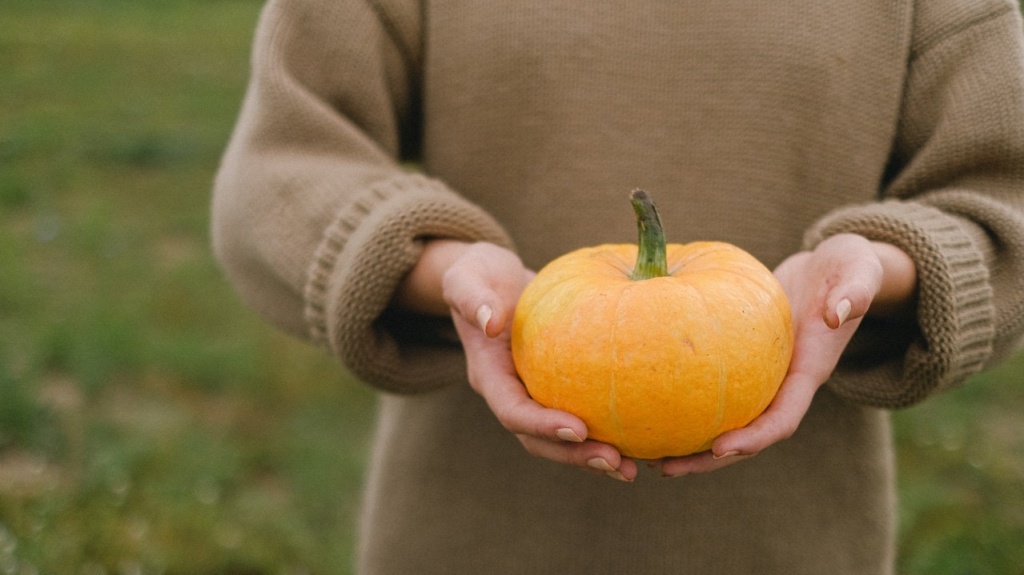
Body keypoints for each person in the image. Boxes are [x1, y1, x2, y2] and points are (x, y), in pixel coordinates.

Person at [211, 0, 1024, 572]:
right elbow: (282, 167)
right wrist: (442, 268)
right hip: (472, 529)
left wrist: (881, 268)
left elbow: (1003, 199)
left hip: (790, 538)